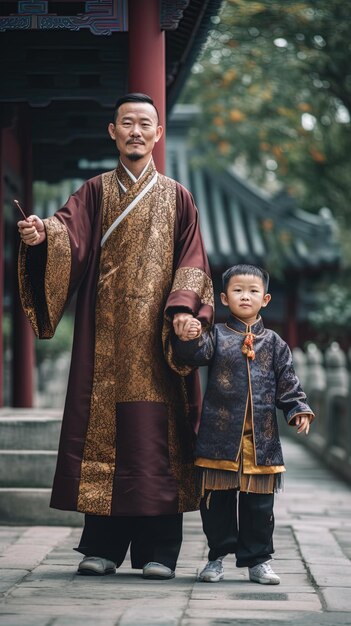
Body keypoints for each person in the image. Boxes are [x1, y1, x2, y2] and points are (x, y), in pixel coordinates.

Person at [17, 93, 214, 579]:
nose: (136, 132)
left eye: (145, 124)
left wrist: (185, 314)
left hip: (157, 342)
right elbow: (67, 234)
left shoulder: (177, 196)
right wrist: (43, 236)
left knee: (155, 443)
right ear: (113, 131)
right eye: (127, 123)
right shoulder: (95, 191)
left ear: (157, 134)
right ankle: (102, 546)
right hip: (103, 340)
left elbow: (193, 262)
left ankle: (159, 552)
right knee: (104, 439)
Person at [172, 263, 314, 585]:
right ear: (224, 298)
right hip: (219, 437)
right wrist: (189, 338)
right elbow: (193, 356)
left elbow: (287, 384)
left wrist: (298, 409)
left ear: (265, 299)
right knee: (217, 504)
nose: (245, 297)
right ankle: (216, 557)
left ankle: (258, 561)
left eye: (253, 291)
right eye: (237, 291)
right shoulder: (218, 336)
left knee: (259, 508)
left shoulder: (276, 343)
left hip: (261, 441)